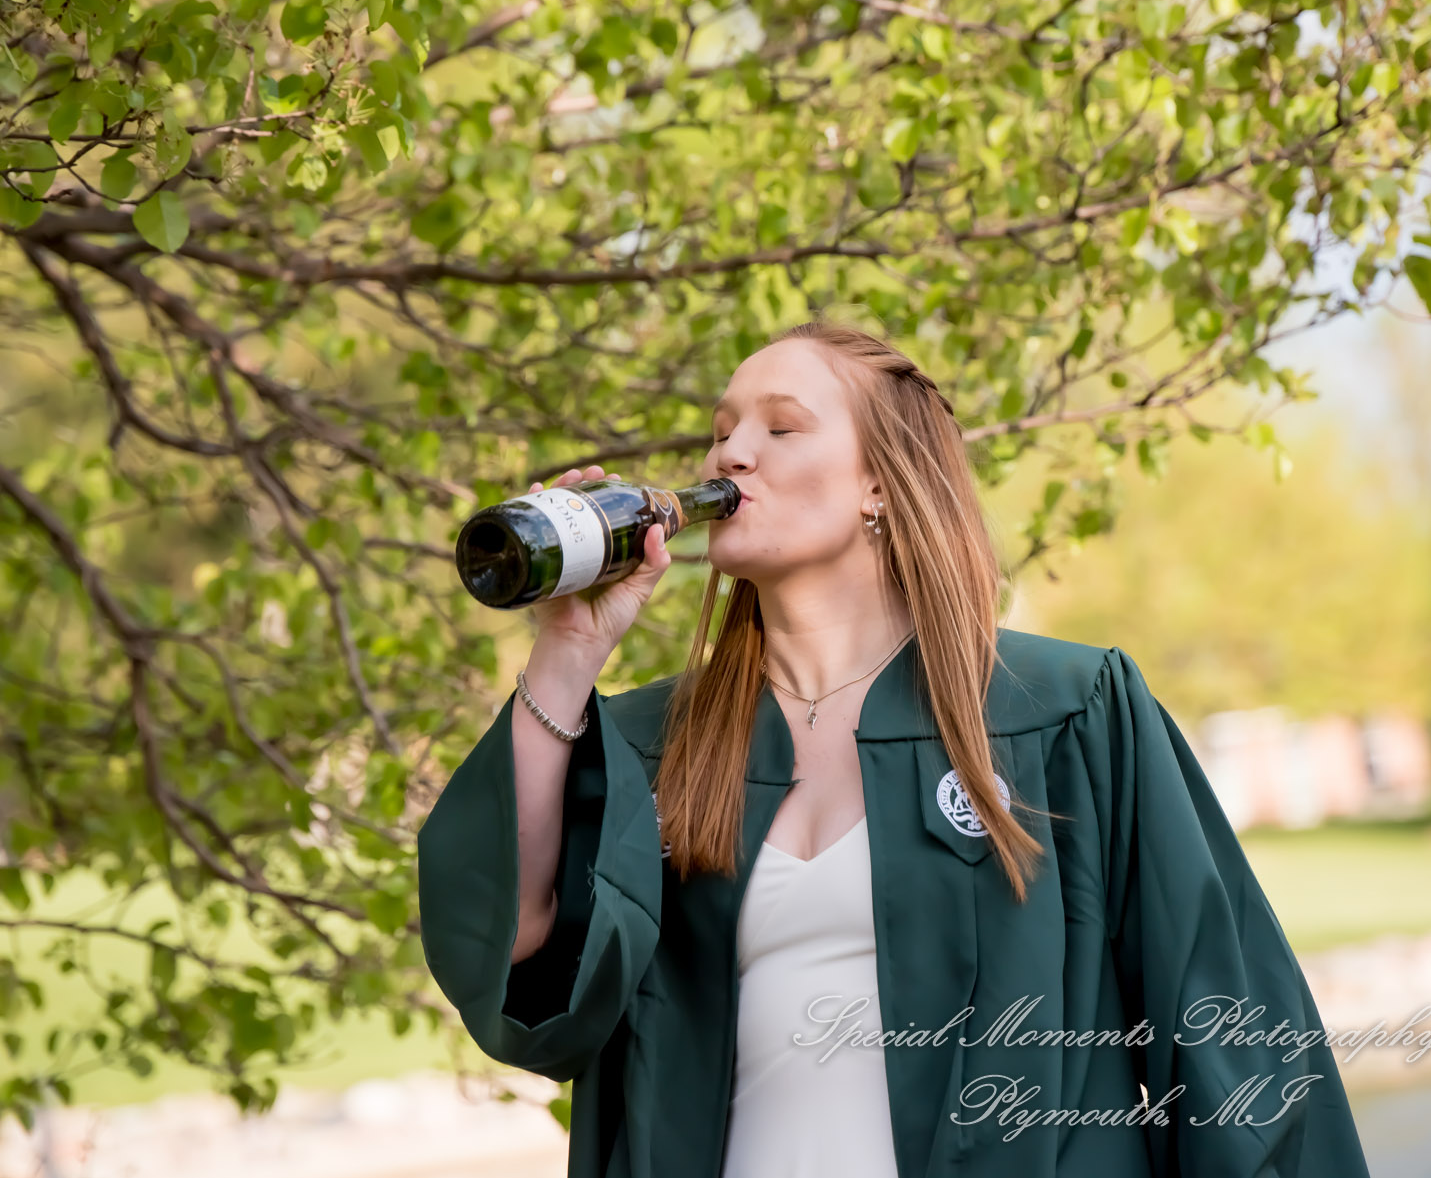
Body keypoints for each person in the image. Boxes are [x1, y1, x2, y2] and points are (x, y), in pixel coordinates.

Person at [417, 321, 1372, 1178]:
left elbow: (1232, 1039)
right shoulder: (659, 745)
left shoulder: (1062, 712)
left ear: (879, 481)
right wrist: (567, 651)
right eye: (722, 430)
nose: (731, 451)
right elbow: (523, 971)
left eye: (781, 427)